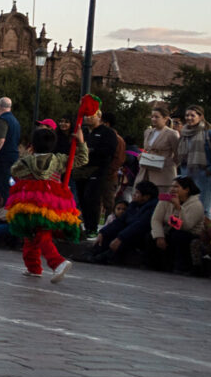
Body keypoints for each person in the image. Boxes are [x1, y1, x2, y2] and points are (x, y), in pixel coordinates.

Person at [8, 124, 87, 282]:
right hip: (52, 202)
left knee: (38, 233)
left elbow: (14, 171)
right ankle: (33, 267)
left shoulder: (26, 162)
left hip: (30, 203)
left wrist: (27, 156)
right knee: (34, 233)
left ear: (33, 145)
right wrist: (81, 142)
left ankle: (57, 262)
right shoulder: (58, 160)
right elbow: (81, 159)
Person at [84, 180, 158, 265]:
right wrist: (103, 232)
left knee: (125, 237)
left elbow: (138, 226)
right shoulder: (134, 205)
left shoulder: (152, 208)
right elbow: (120, 221)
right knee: (108, 233)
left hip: (141, 237)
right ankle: (93, 253)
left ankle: (105, 257)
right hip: (129, 233)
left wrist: (120, 238)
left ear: (146, 197)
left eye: (137, 193)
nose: (134, 195)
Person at [141, 104, 182, 254]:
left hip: (164, 172)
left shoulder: (172, 134)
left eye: (157, 117)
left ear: (166, 119)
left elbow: (178, 155)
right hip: (147, 169)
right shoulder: (148, 132)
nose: (153, 119)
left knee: (163, 206)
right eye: (152, 116)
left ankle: (164, 236)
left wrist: (167, 163)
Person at [73, 107, 119, 238]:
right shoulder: (84, 132)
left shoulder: (107, 133)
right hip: (81, 170)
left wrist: (90, 150)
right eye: (86, 116)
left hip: (98, 170)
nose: (88, 118)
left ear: (99, 116)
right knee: (82, 199)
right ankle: (86, 225)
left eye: (91, 115)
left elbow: (109, 151)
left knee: (91, 198)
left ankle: (92, 228)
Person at [178, 106, 211, 217]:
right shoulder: (184, 134)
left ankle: (205, 232)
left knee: (203, 208)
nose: (189, 118)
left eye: (192, 115)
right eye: (187, 115)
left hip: (204, 176)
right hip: (187, 175)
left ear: (201, 117)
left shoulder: (210, 134)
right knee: (187, 207)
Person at [0, 97, 21, 199]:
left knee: (1, 187)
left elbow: (0, 139)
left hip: (2, 160)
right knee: (8, 185)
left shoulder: (2, 120)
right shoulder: (15, 121)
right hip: (11, 158)